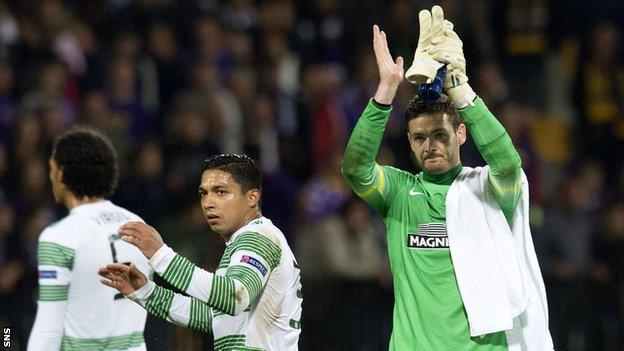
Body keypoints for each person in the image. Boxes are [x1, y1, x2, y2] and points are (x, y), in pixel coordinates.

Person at [341, 6, 553, 350]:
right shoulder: (398, 192)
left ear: (461, 134)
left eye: (440, 135)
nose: (430, 146)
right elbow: (356, 168)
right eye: (420, 138)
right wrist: (386, 90)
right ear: (409, 141)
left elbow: (508, 164)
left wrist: (460, 89)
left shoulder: (488, 189)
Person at [98, 154, 302, 350]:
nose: (208, 203)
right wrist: (147, 292)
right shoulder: (246, 241)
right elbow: (214, 318)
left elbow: (233, 297)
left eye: (220, 191)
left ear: (252, 197)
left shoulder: (258, 236)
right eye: (204, 193)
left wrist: (161, 256)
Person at [28, 128, 152, 350]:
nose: (50, 176)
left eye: (52, 169)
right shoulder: (139, 225)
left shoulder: (59, 237)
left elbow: (48, 328)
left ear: (62, 175)